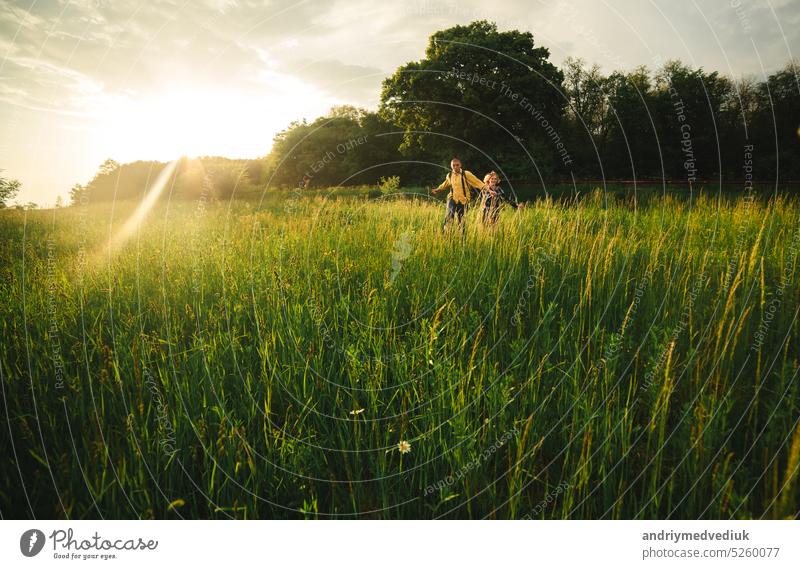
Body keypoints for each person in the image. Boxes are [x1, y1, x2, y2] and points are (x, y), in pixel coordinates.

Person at [432, 158, 485, 232]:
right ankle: (446, 235)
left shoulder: (466, 174)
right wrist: (438, 189)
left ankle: (462, 239)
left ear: (460, 165)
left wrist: (488, 189)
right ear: (451, 166)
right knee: (449, 217)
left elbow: (477, 182)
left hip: (464, 200)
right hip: (452, 198)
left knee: (462, 221)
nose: (455, 167)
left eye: (457, 165)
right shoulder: (449, 175)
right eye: (453, 165)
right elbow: (445, 184)